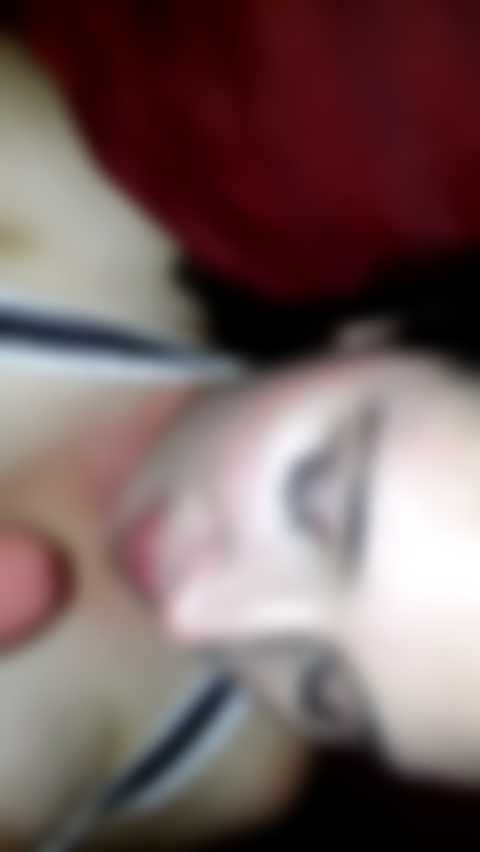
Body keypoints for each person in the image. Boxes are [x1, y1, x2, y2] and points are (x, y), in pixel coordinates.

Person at [0, 36, 313, 852]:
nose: (222, 603)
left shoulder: (235, 764)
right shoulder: (74, 216)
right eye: (330, 506)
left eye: (333, 680)